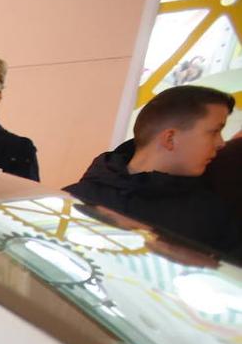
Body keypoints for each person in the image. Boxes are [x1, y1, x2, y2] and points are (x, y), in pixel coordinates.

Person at [65, 85, 238, 259]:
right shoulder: (72, 198)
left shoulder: (212, 215)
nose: (221, 143)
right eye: (214, 131)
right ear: (170, 138)